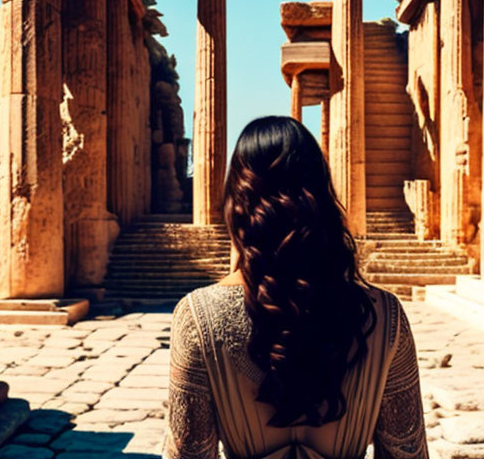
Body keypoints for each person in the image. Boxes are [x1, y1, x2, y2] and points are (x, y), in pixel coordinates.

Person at [165, 116, 428, 459]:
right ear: (322, 198)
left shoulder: (198, 318)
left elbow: (188, 455)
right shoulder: (385, 316)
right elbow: (408, 453)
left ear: (237, 204)